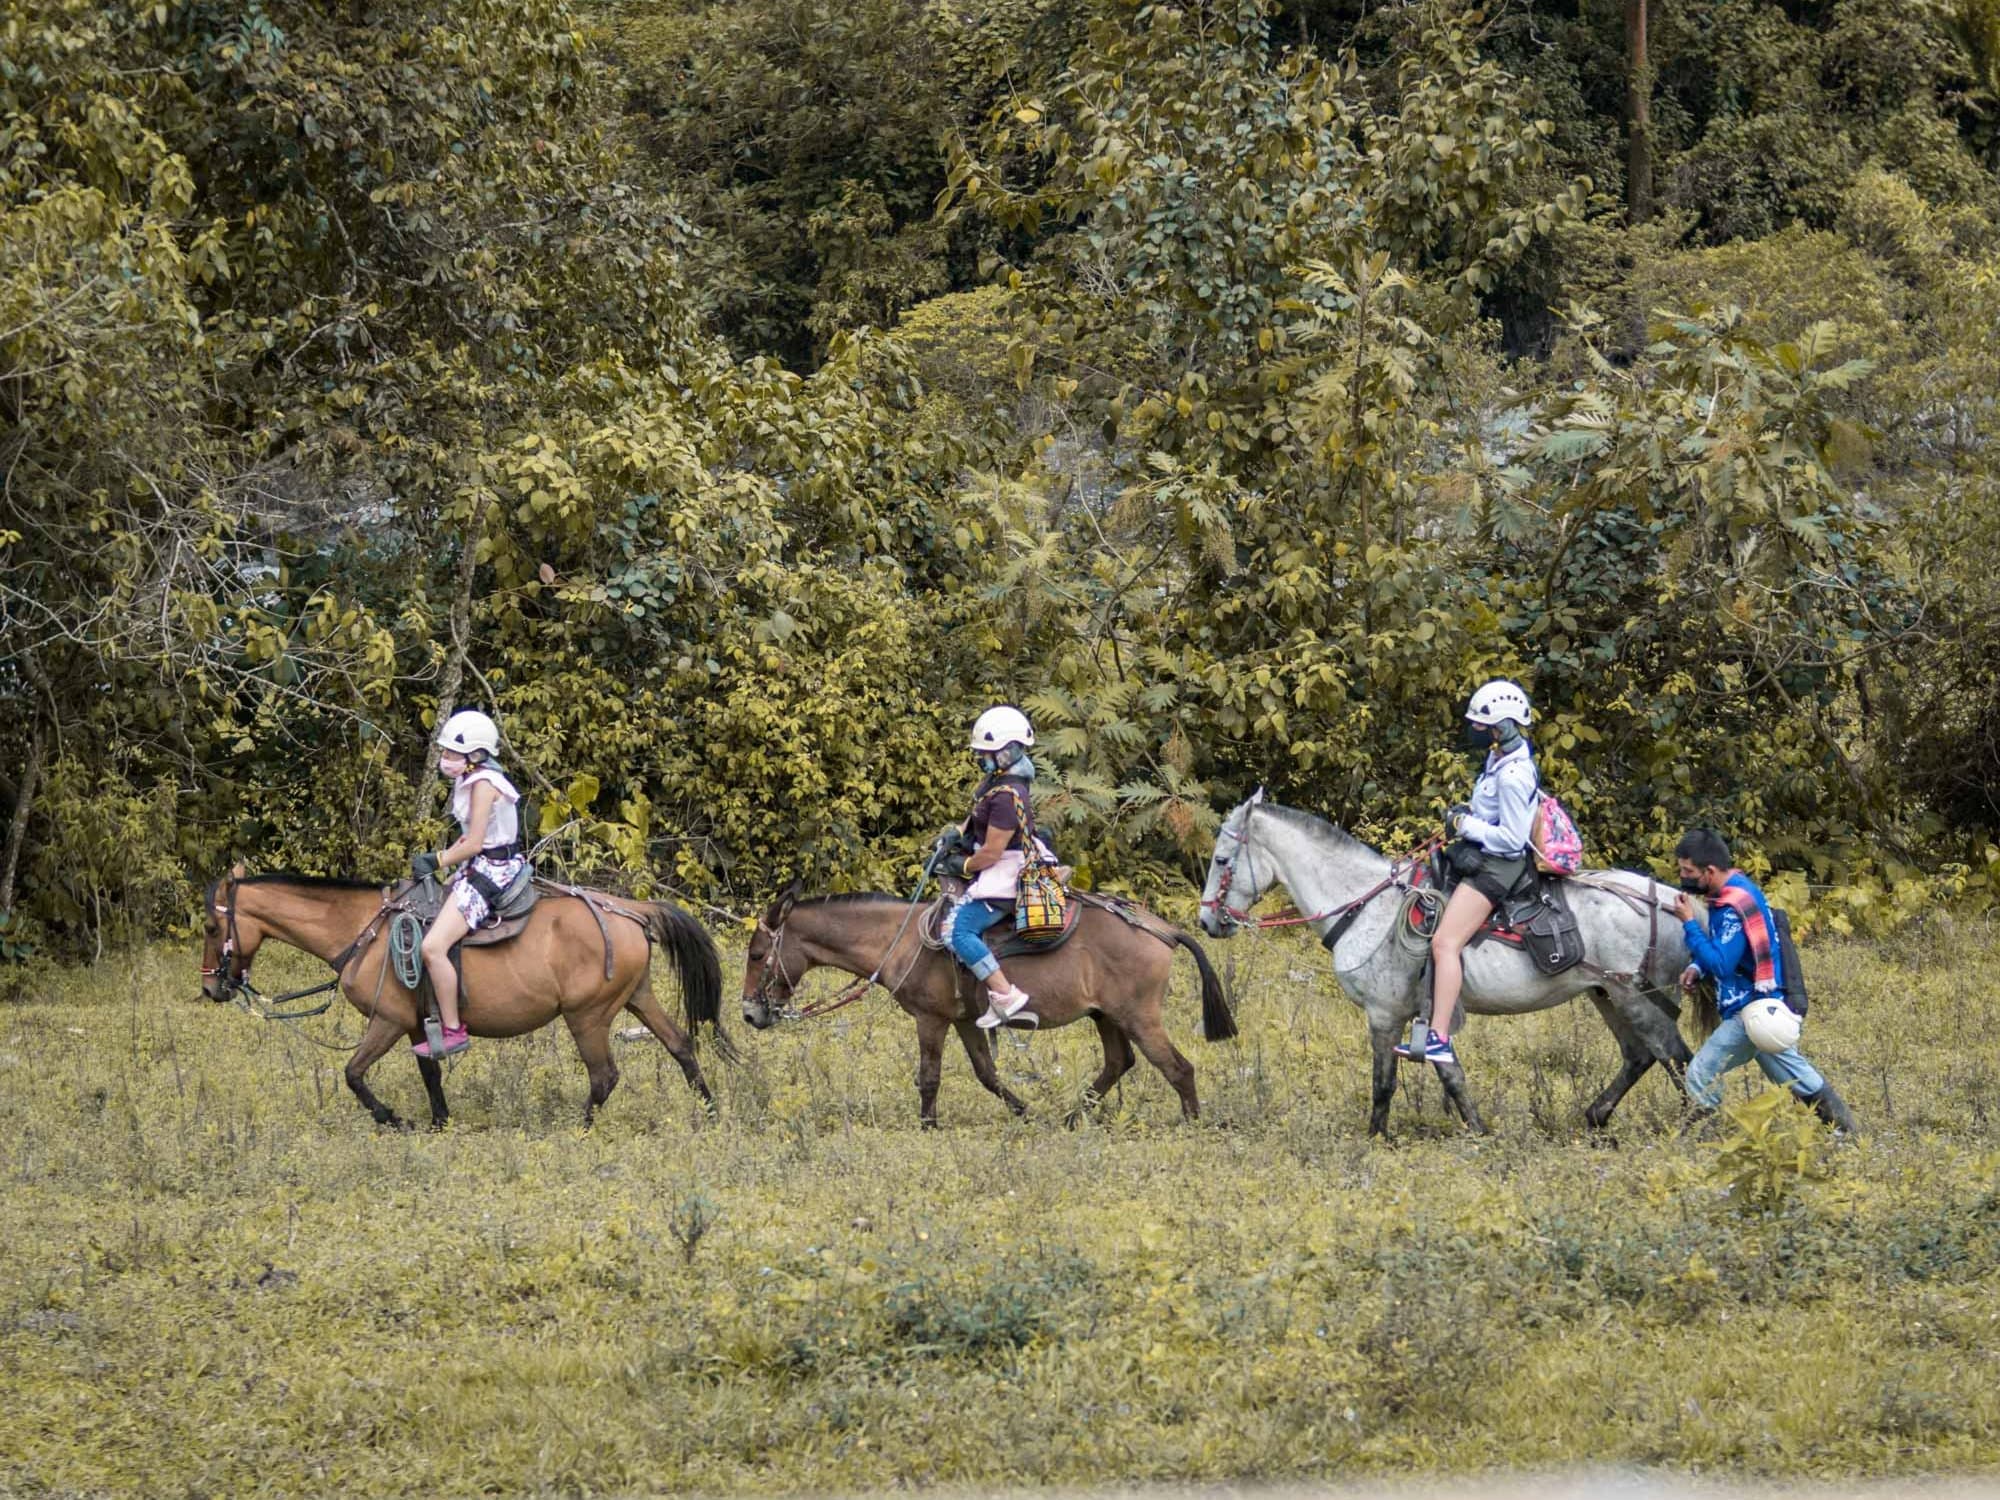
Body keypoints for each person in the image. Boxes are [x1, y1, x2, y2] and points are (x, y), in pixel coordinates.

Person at [1396, 679, 1541, 1066]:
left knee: (1444, 943)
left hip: (1499, 864)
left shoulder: (1513, 775)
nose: (1474, 731)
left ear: (1503, 725)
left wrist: (1465, 827)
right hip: (1483, 852)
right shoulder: (1499, 759)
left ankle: (1439, 1037)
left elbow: (1512, 839)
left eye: (1481, 725)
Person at [1673, 827, 1856, 1131]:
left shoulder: (1732, 907)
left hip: (1750, 1010)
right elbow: (1729, 949)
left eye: (1688, 871)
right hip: (1762, 1006)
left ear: (1710, 871)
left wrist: (1689, 924)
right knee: (1793, 1075)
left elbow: (1721, 963)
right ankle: (1843, 1131)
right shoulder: (1735, 893)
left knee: (1700, 1073)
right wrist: (1696, 968)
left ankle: (1706, 1138)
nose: (1683, 877)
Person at [408, 709, 528, 1058]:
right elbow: (469, 841)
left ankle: (453, 1030)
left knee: (431, 947)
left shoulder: (483, 785)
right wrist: (443, 856)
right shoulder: (473, 779)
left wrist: (437, 860)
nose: (444, 759)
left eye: (451, 754)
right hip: (481, 862)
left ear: (474, 755)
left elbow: (476, 843)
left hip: (492, 870)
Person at [936, 705, 1047, 1030]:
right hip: (1001, 862)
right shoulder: (997, 781)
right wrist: (956, 833)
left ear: (1007, 752)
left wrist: (963, 863)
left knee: (957, 931)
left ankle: (1004, 994)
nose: (980, 758)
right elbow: (975, 816)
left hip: (1005, 872)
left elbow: (991, 854)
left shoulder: (1008, 796)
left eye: (986, 752)